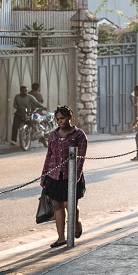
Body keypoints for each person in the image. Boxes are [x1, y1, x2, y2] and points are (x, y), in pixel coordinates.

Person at [40, 105, 87, 248]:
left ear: (70, 117)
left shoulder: (79, 135)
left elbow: (81, 157)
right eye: (58, 119)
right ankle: (61, 238)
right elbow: (49, 156)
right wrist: (44, 175)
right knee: (58, 206)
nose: (60, 121)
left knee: (70, 205)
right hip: (54, 176)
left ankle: (76, 223)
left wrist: (76, 176)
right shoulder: (53, 135)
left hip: (71, 176)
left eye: (63, 118)